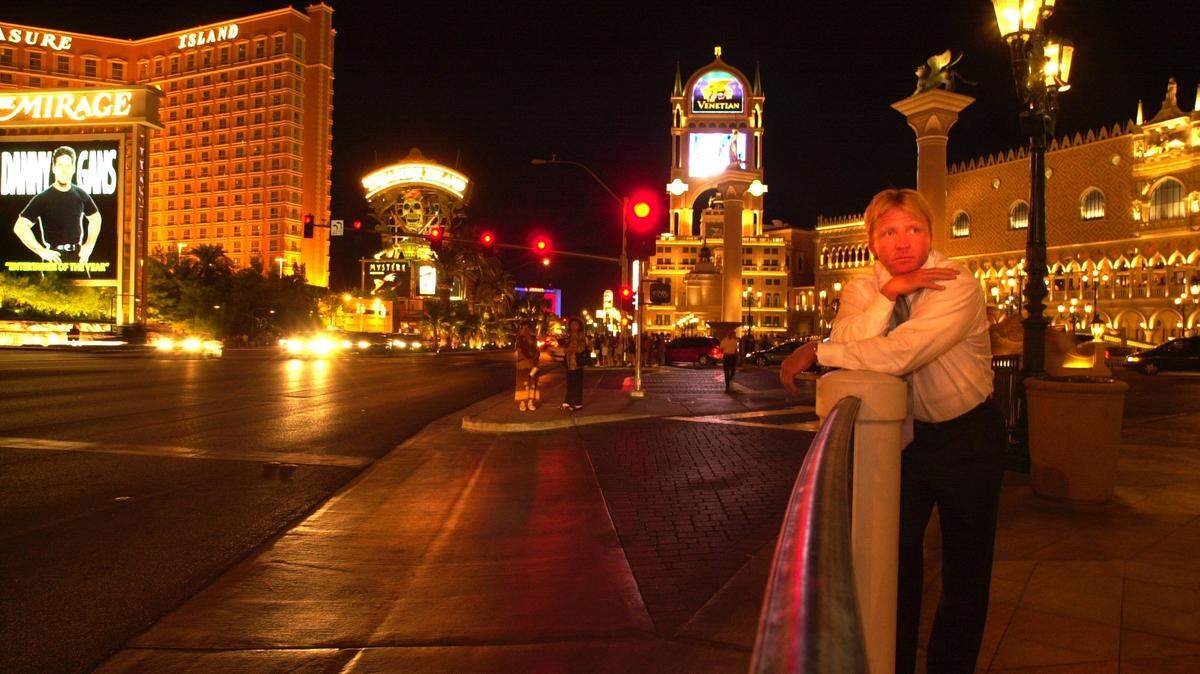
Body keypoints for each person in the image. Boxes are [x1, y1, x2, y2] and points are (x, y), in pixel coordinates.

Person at [780, 188, 1001, 674]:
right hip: (909, 439)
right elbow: (850, 335)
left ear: (931, 234)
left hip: (969, 434)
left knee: (966, 569)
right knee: (894, 561)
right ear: (872, 242)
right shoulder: (865, 286)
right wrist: (889, 294)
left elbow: (899, 353)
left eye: (914, 229)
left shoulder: (956, 283)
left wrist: (817, 351)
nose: (903, 243)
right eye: (889, 232)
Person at [12, 146, 103, 266]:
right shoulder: (42, 198)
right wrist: (41, 251)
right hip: (54, 258)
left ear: (73, 168)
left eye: (68, 166)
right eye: (60, 165)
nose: (64, 170)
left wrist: (89, 245)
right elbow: (20, 226)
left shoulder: (80, 194)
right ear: (54, 168)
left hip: (78, 257)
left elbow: (96, 218)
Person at [561, 317, 588, 410]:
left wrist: (572, 348)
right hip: (569, 362)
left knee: (577, 383)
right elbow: (564, 349)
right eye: (572, 325)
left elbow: (582, 348)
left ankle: (577, 402)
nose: (574, 326)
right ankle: (568, 400)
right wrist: (567, 349)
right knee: (569, 382)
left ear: (579, 326)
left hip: (578, 363)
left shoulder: (582, 336)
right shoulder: (567, 336)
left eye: (576, 324)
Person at [514, 322, 540, 412]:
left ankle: (530, 402)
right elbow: (519, 351)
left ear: (530, 329)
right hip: (523, 364)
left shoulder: (534, 338)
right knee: (522, 383)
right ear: (521, 330)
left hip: (533, 364)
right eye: (524, 328)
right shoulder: (519, 339)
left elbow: (537, 350)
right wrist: (527, 359)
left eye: (528, 328)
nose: (526, 330)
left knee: (533, 382)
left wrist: (534, 358)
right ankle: (522, 402)